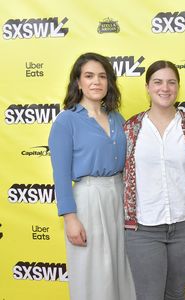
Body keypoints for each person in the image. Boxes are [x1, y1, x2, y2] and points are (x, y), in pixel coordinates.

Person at [48, 52, 135, 300]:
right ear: (78, 82)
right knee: (94, 273)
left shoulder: (118, 119)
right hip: (87, 200)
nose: (96, 82)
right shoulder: (66, 122)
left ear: (109, 82)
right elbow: (61, 176)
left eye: (101, 76)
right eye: (89, 76)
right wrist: (70, 218)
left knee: (121, 268)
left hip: (119, 198)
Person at [123, 60, 185, 300]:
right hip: (143, 229)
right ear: (148, 87)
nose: (165, 88)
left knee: (176, 293)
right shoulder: (130, 129)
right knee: (149, 295)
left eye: (171, 82)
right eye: (158, 82)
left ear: (178, 87)